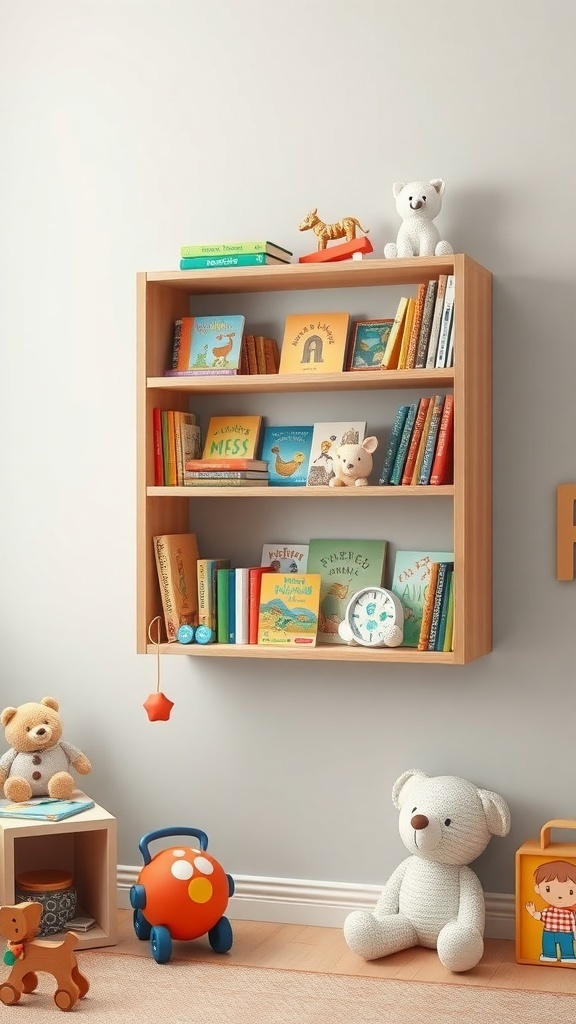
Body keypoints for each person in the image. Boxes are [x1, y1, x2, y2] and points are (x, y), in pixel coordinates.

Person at [525, 859, 576, 962]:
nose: (559, 896)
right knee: (548, 947)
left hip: (566, 933)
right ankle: (549, 956)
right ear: (538, 889)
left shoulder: (571, 913)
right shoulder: (548, 911)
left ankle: (568, 957)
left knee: (567, 947)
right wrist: (532, 912)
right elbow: (539, 916)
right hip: (548, 932)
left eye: (571, 891)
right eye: (548, 889)